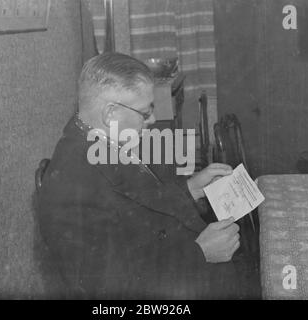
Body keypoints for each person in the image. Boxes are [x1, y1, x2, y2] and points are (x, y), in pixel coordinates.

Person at [36, 52, 243, 299]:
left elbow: (140, 204)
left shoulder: (100, 140)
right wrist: (199, 253)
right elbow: (107, 288)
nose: (153, 120)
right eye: (144, 113)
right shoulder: (73, 186)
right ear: (110, 113)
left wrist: (191, 189)